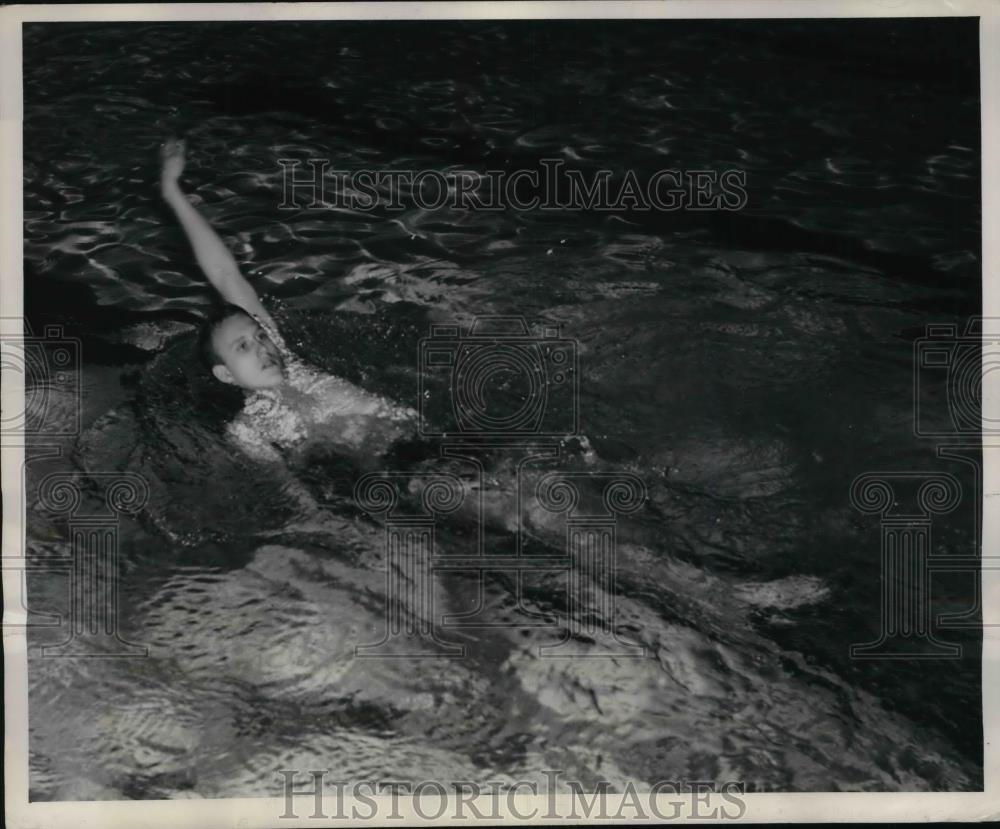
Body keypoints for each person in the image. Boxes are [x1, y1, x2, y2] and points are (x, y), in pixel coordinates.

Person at [160, 138, 419, 468]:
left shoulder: (291, 362)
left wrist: (174, 192)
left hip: (418, 438)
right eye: (242, 347)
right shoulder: (249, 431)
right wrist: (171, 191)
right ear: (225, 374)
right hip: (390, 477)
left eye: (260, 335)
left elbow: (227, 276)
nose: (262, 346)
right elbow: (295, 498)